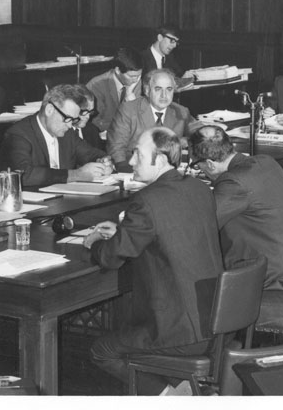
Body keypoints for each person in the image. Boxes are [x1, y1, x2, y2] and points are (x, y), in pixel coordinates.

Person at [84, 127, 222, 396]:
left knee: (102, 351)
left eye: (137, 153)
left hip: (179, 331)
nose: (131, 160)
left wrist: (95, 244)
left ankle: (172, 398)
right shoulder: (198, 187)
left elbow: (111, 258)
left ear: (159, 160)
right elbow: (172, 229)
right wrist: (124, 233)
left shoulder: (146, 200)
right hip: (215, 318)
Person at [190, 125, 283, 290]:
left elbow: (201, 227)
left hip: (279, 278)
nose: (200, 171)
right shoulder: (266, 161)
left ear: (210, 164)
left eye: (198, 166)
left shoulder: (233, 182)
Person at [0, 83, 113, 188]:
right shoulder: (18, 134)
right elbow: (23, 175)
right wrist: (76, 175)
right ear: (49, 110)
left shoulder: (67, 133)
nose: (70, 125)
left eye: (73, 119)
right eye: (67, 118)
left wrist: (103, 162)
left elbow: (91, 154)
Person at [107, 68, 196, 170]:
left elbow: (200, 133)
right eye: (158, 89)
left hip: (168, 171)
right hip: (135, 170)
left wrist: (187, 140)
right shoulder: (128, 110)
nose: (164, 95)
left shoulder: (181, 111)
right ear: (147, 90)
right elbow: (116, 150)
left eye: (169, 89)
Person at [86, 47, 144, 133]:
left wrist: (130, 101)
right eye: (131, 76)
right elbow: (95, 122)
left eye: (139, 76)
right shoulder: (96, 85)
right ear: (117, 70)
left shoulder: (136, 82)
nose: (135, 80)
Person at [71, 84, 106, 149]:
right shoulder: (60, 132)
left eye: (90, 112)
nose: (88, 117)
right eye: (84, 112)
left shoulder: (92, 130)